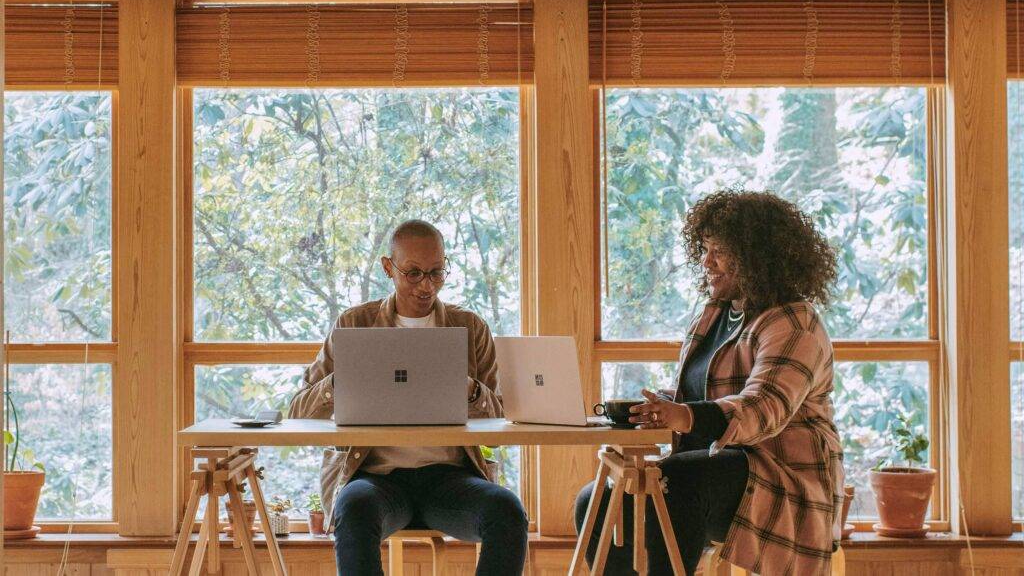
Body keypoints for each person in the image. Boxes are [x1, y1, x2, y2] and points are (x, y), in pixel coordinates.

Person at [575, 190, 845, 575]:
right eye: (704, 249)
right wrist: (659, 408)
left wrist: (683, 415)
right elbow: (698, 397)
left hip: (779, 477)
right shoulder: (717, 313)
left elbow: (761, 409)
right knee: (597, 500)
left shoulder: (794, 324)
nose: (706, 261)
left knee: (676, 483)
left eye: (719, 251)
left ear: (757, 257)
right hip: (715, 468)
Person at [289, 219, 528, 576]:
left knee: (506, 510)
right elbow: (297, 410)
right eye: (413, 273)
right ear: (389, 267)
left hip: (450, 479)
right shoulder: (354, 324)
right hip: (374, 478)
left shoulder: (470, 328)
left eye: (436, 272)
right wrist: (345, 380)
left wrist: (470, 391)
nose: (426, 285)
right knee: (352, 507)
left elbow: (497, 424)